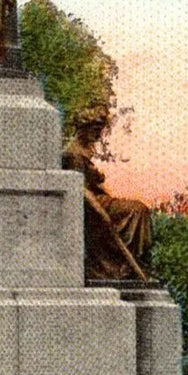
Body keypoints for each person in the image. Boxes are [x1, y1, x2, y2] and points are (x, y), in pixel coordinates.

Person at [61, 106, 153, 280]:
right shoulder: (73, 153)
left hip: (100, 199)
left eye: (100, 130)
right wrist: (101, 212)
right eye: (95, 130)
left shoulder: (84, 149)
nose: (98, 135)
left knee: (140, 209)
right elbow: (80, 189)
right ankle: (131, 266)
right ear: (83, 128)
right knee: (138, 210)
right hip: (90, 205)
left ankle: (136, 263)